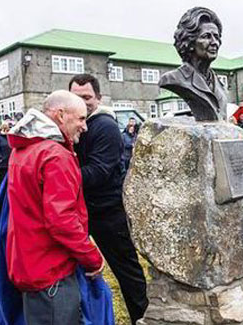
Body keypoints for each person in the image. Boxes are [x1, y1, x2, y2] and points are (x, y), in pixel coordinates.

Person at [6, 90, 104, 325]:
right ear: (61, 115)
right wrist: (92, 258)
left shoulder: (24, 149)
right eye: (81, 119)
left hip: (30, 263)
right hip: (50, 270)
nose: (85, 127)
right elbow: (62, 220)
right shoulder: (55, 155)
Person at [69, 74, 148, 324]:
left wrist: (58, 176)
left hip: (107, 212)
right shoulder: (72, 122)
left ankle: (142, 318)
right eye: (76, 97)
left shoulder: (105, 126)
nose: (82, 101)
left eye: (87, 97)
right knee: (73, 272)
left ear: (98, 98)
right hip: (79, 212)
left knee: (128, 273)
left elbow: (100, 171)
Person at [159, 7, 227, 121]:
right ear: (189, 42)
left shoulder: (220, 85)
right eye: (206, 36)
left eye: (216, 37)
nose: (214, 42)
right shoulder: (173, 79)